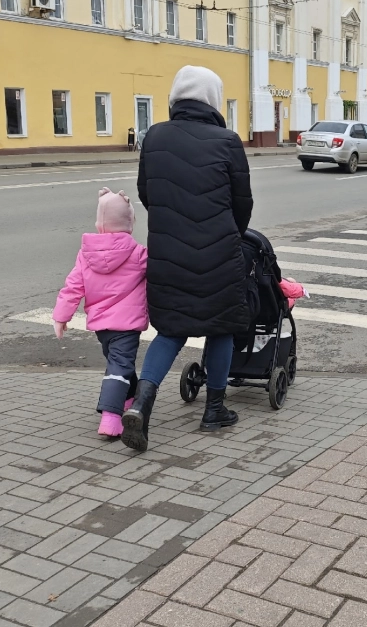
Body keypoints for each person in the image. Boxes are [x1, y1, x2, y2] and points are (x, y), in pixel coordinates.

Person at [125, 65, 254, 450]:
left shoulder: (156, 138)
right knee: (221, 328)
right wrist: (227, 231)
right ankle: (214, 410)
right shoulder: (227, 140)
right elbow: (242, 204)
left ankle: (142, 407)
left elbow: (147, 193)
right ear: (213, 100)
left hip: (168, 253)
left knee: (171, 329)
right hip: (219, 252)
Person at [53, 188, 149, 438]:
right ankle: (111, 417)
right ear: (129, 223)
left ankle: (129, 401)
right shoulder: (138, 253)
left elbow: (74, 285)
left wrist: (61, 316)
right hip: (127, 326)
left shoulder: (86, 254)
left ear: (99, 223)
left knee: (118, 363)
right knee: (118, 367)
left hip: (102, 327)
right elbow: (159, 277)